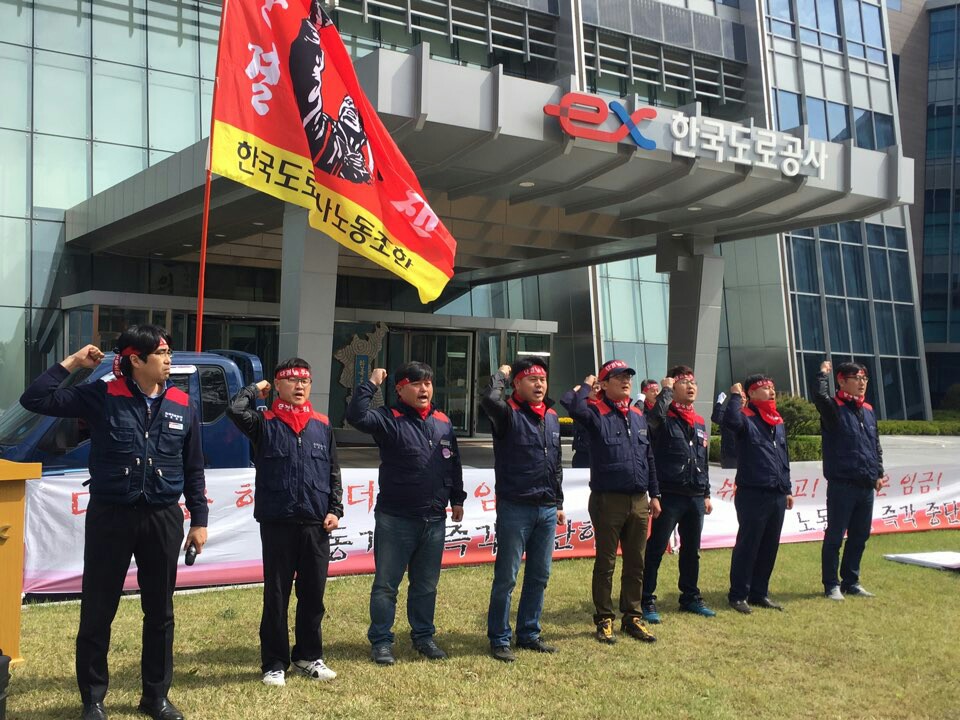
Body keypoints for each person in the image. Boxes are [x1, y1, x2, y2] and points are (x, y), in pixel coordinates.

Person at [20, 327, 207, 720]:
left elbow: (193, 467)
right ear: (136, 360)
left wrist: (199, 521)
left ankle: (156, 697)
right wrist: (74, 362)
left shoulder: (182, 403)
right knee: (98, 609)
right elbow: (35, 398)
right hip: (112, 516)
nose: (169, 360)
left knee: (160, 613)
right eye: (161, 354)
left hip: (162, 517)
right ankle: (93, 699)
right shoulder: (102, 396)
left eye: (169, 353)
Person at [226, 358, 343, 686]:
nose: (299, 386)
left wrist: (335, 509)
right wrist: (254, 390)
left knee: (313, 594)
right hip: (278, 521)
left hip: (316, 523)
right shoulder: (264, 422)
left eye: (304, 380)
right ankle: (274, 662)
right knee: (276, 595)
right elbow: (234, 409)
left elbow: (333, 470)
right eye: (291, 380)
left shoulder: (321, 424)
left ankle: (308, 656)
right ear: (277, 385)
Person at [346, 362, 466, 665]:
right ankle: (381, 641)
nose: (424, 389)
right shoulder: (388, 418)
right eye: (416, 383)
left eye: (428, 383)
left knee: (426, 585)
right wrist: (371, 383)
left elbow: (453, 462)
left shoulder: (442, 421)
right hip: (396, 518)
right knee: (386, 585)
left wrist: (457, 498)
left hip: (434, 518)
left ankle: (424, 637)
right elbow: (356, 416)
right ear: (400, 389)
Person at [561, 359, 661, 644]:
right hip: (608, 500)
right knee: (606, 562)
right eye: (618, 377)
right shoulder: (595, 413)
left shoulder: (638, 415)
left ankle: (633, 617)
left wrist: (655, 494)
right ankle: (604, 618)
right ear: (603, 384)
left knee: (636, 562)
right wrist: (587, 385)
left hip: (639, 500)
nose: (625, 380)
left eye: (628, 376)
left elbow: (648, 457)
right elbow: (572, 404)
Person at [480, 358, 565, 663]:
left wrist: (558, 503)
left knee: (540, 575)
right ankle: (499, 638)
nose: (539, 384)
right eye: (531, 379)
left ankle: (529, 633)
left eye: (542, 379)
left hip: (546, 508)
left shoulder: (551, 417)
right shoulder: (507, 413)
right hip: (515, 506)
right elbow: (489, 400)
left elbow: (555, 464)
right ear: (516, 384)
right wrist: (500, 375)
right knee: (507, 577)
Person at [641, 366, 715, 623]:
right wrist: (666, 391)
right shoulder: (663, 416)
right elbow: (652, 421)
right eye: (684, 382)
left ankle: (690, 597)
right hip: (669, 494)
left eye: (693, 382)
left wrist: (706, 493)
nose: (690, 386)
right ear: (673, 386)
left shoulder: (699, 421)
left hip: (695, 495)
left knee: (692, 550)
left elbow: (703, 459)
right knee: (656, 548)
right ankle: (646, 599)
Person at [721, 375, 793, 614]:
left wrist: (787, 488)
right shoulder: (744, 417)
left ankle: (759, 592)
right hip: (753, 492)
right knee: (748, 545)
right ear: (750, 394)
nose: (771, 391)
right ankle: (738, 594)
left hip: (777, 492)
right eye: (764, 388)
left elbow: (783, 456)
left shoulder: (777, 421)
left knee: (769, 545)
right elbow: (729, 421)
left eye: (772, 387)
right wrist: (735, 396)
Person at [812, 361, 884, 600]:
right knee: (835, 536)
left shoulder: (868, 410)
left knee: (860, 536)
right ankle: (831, 584)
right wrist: (822, 374)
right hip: (842, 484)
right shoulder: (834, 408)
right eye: (857, 378)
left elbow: (874, 444)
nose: (862, 383)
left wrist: (878, 473)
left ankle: (851, 581)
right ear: (842, 381)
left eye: (865, 379)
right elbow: (819, 397)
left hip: (865, 484)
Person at [571, 380, 600, 469]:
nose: (596, 391)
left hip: (599, 453)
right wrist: (574, 392)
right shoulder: (581, 407)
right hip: (582, 453)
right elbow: (566, 401)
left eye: (598, 388)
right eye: (593, 388)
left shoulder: (605, 407)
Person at [710, 390, 738, 470]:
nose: (741, 399)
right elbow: (716, 417)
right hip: (729, 456)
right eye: (739, 397)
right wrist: (719, 403)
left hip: (745, 456)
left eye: (743, 397)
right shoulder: (728, 415)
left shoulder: (749, 416)